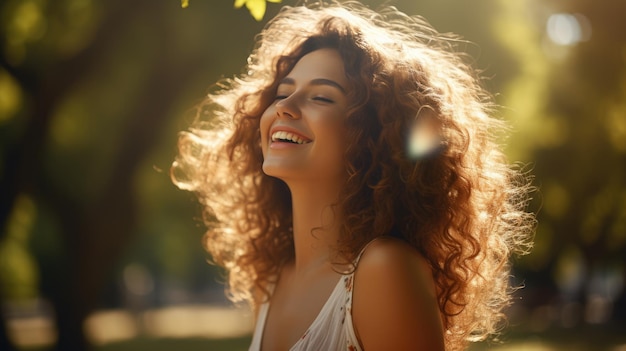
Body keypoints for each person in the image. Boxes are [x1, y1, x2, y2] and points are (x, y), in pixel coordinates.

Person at [172, 1, 535, 350]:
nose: (283, 107)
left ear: (375, 137)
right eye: (283, 93)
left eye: (322, 98)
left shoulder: (384, 269)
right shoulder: (272, 280)